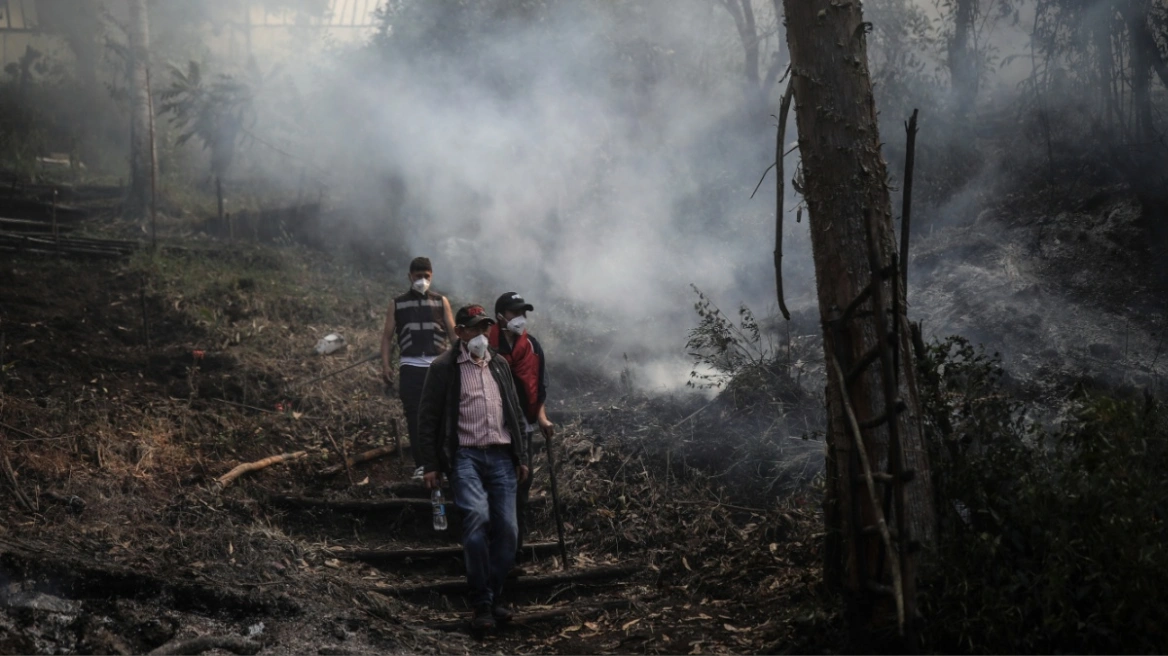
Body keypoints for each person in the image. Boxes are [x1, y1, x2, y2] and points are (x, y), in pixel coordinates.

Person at [416, 304, 530, 632]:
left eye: (485, 329)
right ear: (460, 333)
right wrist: (431, 464)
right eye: (474, 329)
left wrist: (521, 456)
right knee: (477, 518)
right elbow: (429, 418)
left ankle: (492, 595)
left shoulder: (499, 365)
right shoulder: (444, 368)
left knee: (508, 529)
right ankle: (482, 601)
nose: (481, 335)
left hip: (502, 457)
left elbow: (514, 411)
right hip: (466, 456)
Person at [488, 292, 554, 559]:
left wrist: (542, 418)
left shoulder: (532, 346)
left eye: (523, 314)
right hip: (494, 429)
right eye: (515, 313)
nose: (520, 319)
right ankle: (494, 547)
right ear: (500, 316)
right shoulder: (486, 347)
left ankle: (515, 549)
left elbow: (538, 389)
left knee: (522, 485)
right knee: (497, 485)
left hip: (524, 428)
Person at [381, 256, 456, 481]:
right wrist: (385, 365)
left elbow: (453, 335)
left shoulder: (441, 301)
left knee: (442, 415)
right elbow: (386, 337)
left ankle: (443, 464)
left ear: (431, 277)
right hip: (410, 367)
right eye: (418, 276)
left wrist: (462, 362)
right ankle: (422, 465)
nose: (422, 280)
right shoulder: (397, 303)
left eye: (426, 276)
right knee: (415, 416)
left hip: (438, 366)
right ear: (409, 277)